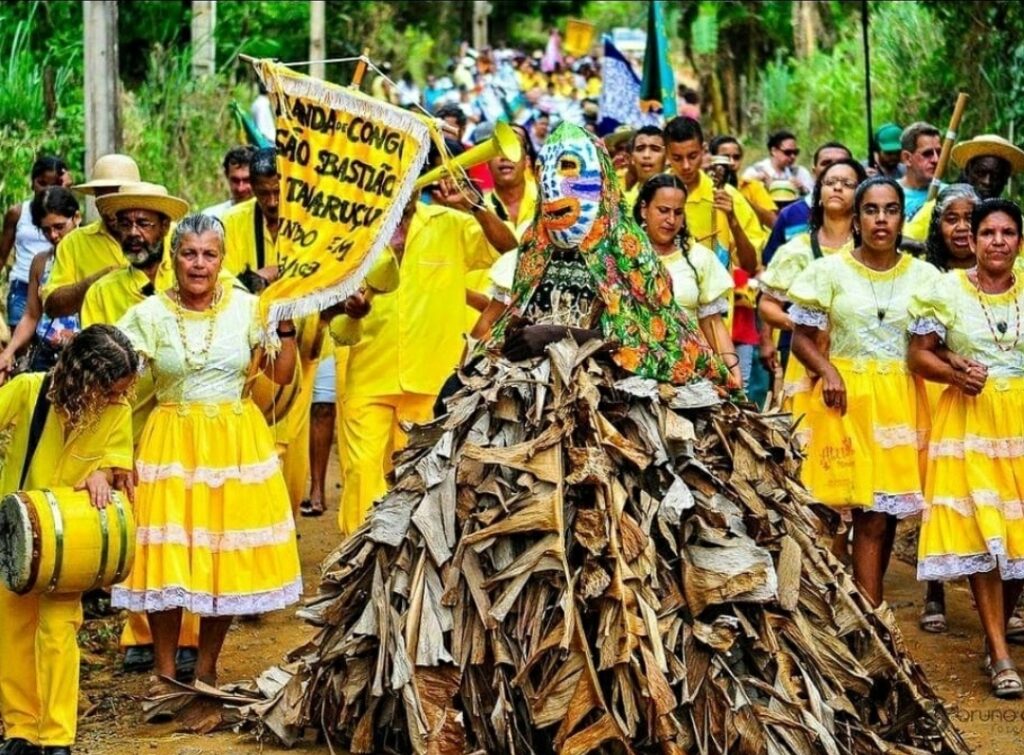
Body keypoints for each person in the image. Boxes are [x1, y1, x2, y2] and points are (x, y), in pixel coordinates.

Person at [109, 213, 302, 704]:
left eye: (209, 254)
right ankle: (166, 676)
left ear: (223, 259)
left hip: (236, 444)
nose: (199, 264)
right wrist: (110, 452)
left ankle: (208, 677)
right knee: (169, 559)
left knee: (223, 557)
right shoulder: (148, 315)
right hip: (170, 442)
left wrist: (287, 326)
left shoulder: (249, 308)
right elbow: (117, 385)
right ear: (173, 259)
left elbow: (281, 375)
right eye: (189, 254)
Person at [335, 175, 516, 536]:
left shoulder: (450, 222)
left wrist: (475, 206)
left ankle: (400, 557)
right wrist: (346, 306)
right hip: (368, 369)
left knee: (415, 474)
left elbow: (510, 251)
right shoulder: (352, 225)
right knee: (360, 469)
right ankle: (354, 557)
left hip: (432, 377)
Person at [789, 176, 937, 606]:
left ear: (901, 218)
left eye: (890, 210)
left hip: (898, 402)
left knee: (882, 515)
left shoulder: (923, 277)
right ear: (856, 219)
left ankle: (866, 607)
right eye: (871, 210)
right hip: (844, 400)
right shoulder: (828, 271)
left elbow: (929, 344)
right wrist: (827, 370)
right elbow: (800, 337)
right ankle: (859, 612)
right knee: (849, 513)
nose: (881, 220)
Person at [77, 182, 202, 677]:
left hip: (178, 422)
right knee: (140, 536)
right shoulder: (105, 291)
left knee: (187, 530)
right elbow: (93, 363)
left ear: (164, 229)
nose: (134, 232)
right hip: (122, 427)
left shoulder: (193, 276)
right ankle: (140, 631)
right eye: (125, 223)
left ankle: (189, 634)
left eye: (144, 223)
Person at [0, 324, 138, 755]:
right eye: (112, 390)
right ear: (83, 380)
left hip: (69, 546)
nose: (120, 398)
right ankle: (21, 728)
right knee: (12, 631)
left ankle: (57, 736)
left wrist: (105, 472)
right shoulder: (27, 390)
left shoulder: (116, 411)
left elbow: (120, 468)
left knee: (59, 632)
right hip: (18, 535)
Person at [909, 199, 1024, 698]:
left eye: (1008, 233)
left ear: (1019, 241)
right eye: (989, 233)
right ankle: (998, 651)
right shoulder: (946, 291)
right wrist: (957, 370)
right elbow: (918, 355)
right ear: (972, 240)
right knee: (983, 532)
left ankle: (999, 629)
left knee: (1017, 540)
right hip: (971, 421)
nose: (998, 242)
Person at [911, 183, 981, 637]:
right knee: (936, 493)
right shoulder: (923, 277)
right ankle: (934, 587)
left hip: (985, 396)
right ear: (938, 225)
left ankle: (999, 594)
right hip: (933, 392)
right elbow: (913, 345)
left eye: (969, 218)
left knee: (986, 492)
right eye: (951, 218)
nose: (961, 227)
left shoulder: (1002, 272)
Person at [758, 159, 866, 399]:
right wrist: (801, 326)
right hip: (806, 358)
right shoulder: (797, 250)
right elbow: (767, 304)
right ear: (819, 195)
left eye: (847, 184)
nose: (837, 188)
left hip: (859, 358)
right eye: (830, 182)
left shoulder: (869, 250)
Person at [634, 174, 741, 385]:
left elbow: (713, 323)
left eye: (678, 212)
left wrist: (732, 372)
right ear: (644, 210)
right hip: (633, 371)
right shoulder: (625, 256)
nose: (671, 220)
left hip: (689, 374)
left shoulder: (699, 258)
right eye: (663, 211)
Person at [41, 154, 143, 318]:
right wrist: (96, 282)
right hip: (101, 343)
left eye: (116, 198)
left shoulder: (168, 237)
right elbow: (52, 306)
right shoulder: (74, 243)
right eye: (101, 198)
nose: (108, 208)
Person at [664, 117, 764, 275]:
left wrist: (733, 221)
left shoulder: (726, 195)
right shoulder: (652, 195)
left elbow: (750, 266)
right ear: (667, 155)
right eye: (677, 158)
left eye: (692, 156)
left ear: (704, 151)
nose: (686, 166)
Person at [0, 188, 82, 382]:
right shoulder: (41, 262)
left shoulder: (90, 259)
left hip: (80, 358)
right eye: (46, 229)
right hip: (45, 355)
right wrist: (8, 352)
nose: (53, 235)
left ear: (76, 218)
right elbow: (31, 315)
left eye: (59, 226)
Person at [904, 134, 1024, 245]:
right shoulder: (939, 208)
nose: (987, 181)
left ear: (1005, 180)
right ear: (968, 172)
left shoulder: (1014, 221)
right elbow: (904, 240)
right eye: (980, 173)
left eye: (996, 176)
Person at [0, 156, 69, 329]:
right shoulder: (17, 213)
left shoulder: (67, 216)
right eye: (41, 183)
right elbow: (1, 256)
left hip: (55, 289)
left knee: (51, 344)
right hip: (22, 286)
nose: (46, 189)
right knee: (20, 345)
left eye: (54, 184)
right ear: (32, 183)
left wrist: (67, 190)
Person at [761, 142, 853, 265]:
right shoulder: (789, 214)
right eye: (826, 163)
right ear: (814, 171)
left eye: (842, 163)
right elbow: (770, 263)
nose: (834, 169)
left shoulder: (864, 214)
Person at [222, 147, 280, 285]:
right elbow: (224, 286)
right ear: (253, 188)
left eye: (278, 192)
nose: (272, 202)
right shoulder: (231, 221)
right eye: (263, 193)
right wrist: (255, 279)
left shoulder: (310, 220)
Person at [709, 135, 777, 228]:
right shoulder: (706, 187)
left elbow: (774, 223)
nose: (732, 163)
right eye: (726, 157)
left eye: (736, 157)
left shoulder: (752, 186)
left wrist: (743, 200)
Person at [743, 129, 814, 195]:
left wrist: (802, 189)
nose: (793, 156)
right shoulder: (755, 171)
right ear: (774, 151)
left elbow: (813, 199)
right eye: (788, 152)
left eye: (795, 152)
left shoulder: (800, 173)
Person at [897, 121, 942, 220]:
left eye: (939, 152)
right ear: (907, 158)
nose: (936, 159)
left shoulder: (947, 194)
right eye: (927, 153)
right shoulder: (891, 195)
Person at [201, 146, 256, 220]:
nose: (240, 188)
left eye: (247, 180)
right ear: (226, 176)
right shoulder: (211, 218)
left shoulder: (271, 218)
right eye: (235, 180)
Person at [622, 125, 667, 210]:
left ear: (667, 157)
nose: (646, 155)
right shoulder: (622, 204)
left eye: (655, 149)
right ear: (632, 158)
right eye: (640, 149)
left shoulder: (680, 198)